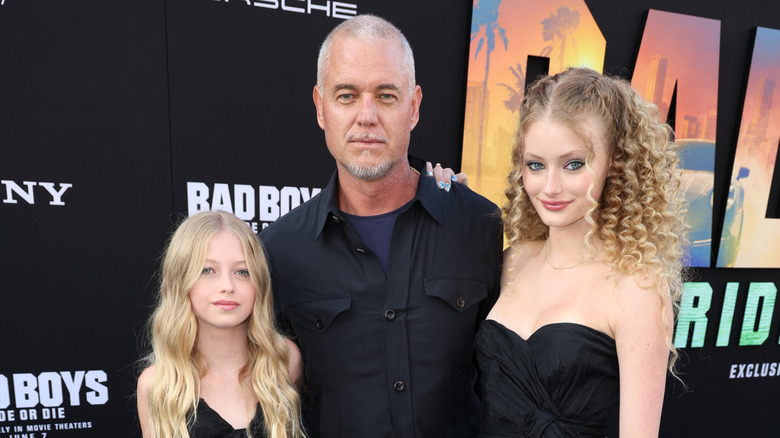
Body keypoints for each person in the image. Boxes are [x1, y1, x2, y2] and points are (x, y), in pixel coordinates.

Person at [259, 14, 504, 438]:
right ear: (321, 108)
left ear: (414, 106)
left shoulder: (479, 226)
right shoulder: (278, 251)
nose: (366, 116)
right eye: (347, 95)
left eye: (386, 95)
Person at [473, 67, 688, 437]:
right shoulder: (512, 261)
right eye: (535, 165)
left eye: (574, 164)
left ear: (615, 164)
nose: (550, 187)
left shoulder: (636, 287)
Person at [137, 210, 307, 438]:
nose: (227, 285)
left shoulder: (284, 361)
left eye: (242, 271)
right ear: (181, 281)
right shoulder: (158, 384)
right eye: (208, 270)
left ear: (260, 283)